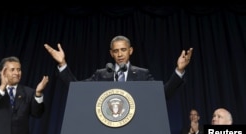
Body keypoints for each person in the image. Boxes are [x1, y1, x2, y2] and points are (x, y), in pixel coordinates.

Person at [44, 35, 193, 98]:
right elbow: (76, 89)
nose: (120, 54)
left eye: (123, 50)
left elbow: (163, 95)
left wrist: (179, 70)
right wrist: (62, 64)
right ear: (111, 53)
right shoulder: (101, 74)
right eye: (116, 51)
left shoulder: (142, 74)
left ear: (130, 50)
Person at [0, 56, 49, 134]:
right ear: (3, 72)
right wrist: (2, 87)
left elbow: (37, 113)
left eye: (19, 69)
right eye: (12, 70)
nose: (17, 73)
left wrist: (38, 93)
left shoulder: (29, 92)